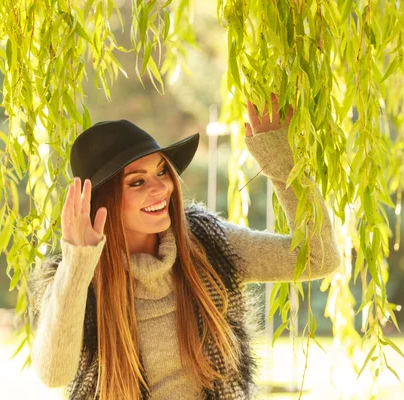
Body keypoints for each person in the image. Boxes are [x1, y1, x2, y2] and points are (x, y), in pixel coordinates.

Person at [28, 95, 341, 400]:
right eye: (137, 182)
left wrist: (282, 163)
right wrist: (78, 262)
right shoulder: (75, 280)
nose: (161, 187)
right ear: (103, 200)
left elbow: (319, 258)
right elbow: (53, 374)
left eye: (162, 171)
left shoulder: (208, 243)